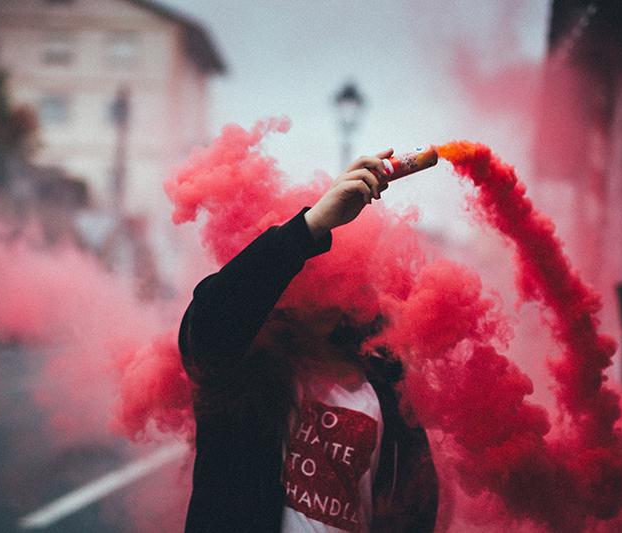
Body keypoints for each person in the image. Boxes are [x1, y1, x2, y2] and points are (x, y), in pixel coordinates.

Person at [178, 149, 438, 532]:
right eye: (313, 276)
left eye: (342, 281)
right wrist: (311, 226)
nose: (328, 295)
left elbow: (414, 503)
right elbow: (213, 320)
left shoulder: (384, 382)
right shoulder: (243, 366)